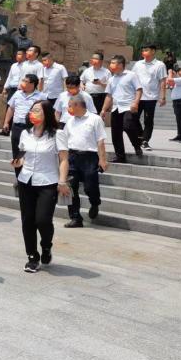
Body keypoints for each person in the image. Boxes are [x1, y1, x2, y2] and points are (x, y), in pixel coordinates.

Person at [10, 100, 70, 273]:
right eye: (32, 110)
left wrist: (62, 181)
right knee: (27, 220)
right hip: (26, 181)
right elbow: (23, 155)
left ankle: (46, 245)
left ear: (47, 114)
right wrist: (18, 162)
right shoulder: (25, 133)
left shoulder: (57, 134)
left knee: (43, 220)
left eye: (37, 110)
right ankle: (32, 257)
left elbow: (64, 159)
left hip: (48, 182)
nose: (32, 113)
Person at [60, 93, 109, 228]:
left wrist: (102, 160)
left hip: (89, 157)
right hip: (72, 157)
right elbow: (64, 141)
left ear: (77, 105)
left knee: (90, 186)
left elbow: (100, 141)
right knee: (70, 188)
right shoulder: (70, 121)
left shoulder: (95, 119)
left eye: (70, 105)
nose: (68, 108)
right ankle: (75, 217)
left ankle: (95, 202)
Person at [101, 55, 143, 164]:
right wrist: (103, 109)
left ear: (120, 64)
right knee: (115, 133)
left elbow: (139, 90)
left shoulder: (131, 75)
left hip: (128, 106)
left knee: (128, 126)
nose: (111, 65)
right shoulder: (111, 79)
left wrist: (136, 102)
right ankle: (120, 156)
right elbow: (109, 95)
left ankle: (137, 145)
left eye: (113, 63)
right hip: (116, 107)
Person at [2, 74, 45, 175]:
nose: (22, 83)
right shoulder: (17, 94)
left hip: (31, 128)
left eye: (25, 81)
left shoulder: (41, 96)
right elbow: (11, 108)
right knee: (17, 154)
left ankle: (29, 175)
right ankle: (19, 177)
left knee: (29, 152)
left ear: (32, 84)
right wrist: (6, 122)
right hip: (16, 127)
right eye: (23, 80)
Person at [132, 44, 167, 150]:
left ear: (153, 51)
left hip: (151, 98)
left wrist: (163, 97)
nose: (144, 52)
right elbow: (132, 78)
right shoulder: (138, 64)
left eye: (146, 50)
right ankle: (142, 136)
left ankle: (145, 140)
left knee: (148, 120)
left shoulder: (159, 65)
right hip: (137, 97)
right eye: (143, 50)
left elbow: (162, 81)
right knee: (132, 118)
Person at [0, 49, 26, 135]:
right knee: (9, 108)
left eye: (20, 54)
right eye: (17, 54)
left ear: (25, 56)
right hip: (12, 89)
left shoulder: (26, 66)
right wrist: (5, 88)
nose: (18, 56)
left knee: (19, 109)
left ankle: (18, 130)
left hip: (22, 90)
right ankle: (6, 129)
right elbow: (9, 77)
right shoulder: (13, 65)